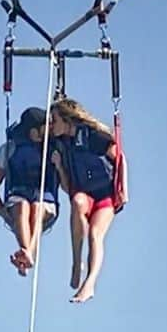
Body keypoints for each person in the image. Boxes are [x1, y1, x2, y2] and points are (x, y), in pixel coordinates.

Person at [50, 97, 128, 303]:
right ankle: (77, 262)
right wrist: (58, 166)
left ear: (67, 120)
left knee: (95, 234)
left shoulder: (94, 137)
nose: (51, 125)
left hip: (105, 196)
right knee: (77, 202)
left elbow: (120, 159)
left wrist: (123, 191)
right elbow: (68, 189)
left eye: (54, 120)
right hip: (85, 194)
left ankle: (89, 283)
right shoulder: (62, 145)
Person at [0, 106, 58, 275]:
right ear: (33, 131)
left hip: (45, 201)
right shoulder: (9, 149)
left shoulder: (54, 149)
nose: (50, 131)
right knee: (22, 206)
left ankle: (27, 253)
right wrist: (4, 213)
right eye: (46, 127)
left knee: (37, 207)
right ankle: (27, 254)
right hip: (17, 202)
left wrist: (59, 165)